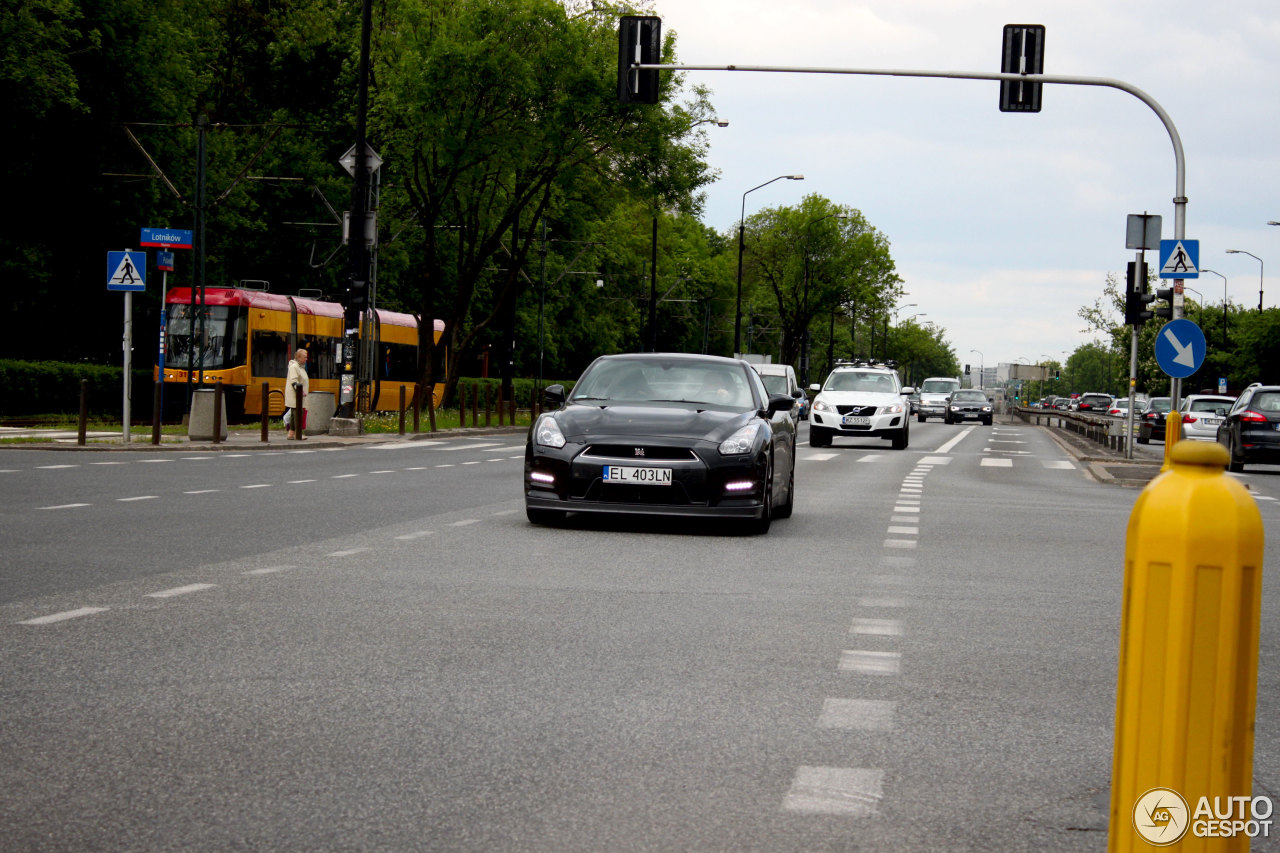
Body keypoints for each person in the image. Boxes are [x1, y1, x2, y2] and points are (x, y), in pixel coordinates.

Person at [285, 348, 309, 439]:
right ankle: (298, 434)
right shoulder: (294, 367)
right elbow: (294, 381)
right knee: (298, 414)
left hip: (298, 395)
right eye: (304, 357)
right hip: (296, 395)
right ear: (298, 358)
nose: (306, 359)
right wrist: (300, 392)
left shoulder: (299, 367)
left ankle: (291, 433)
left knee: (294, 414)